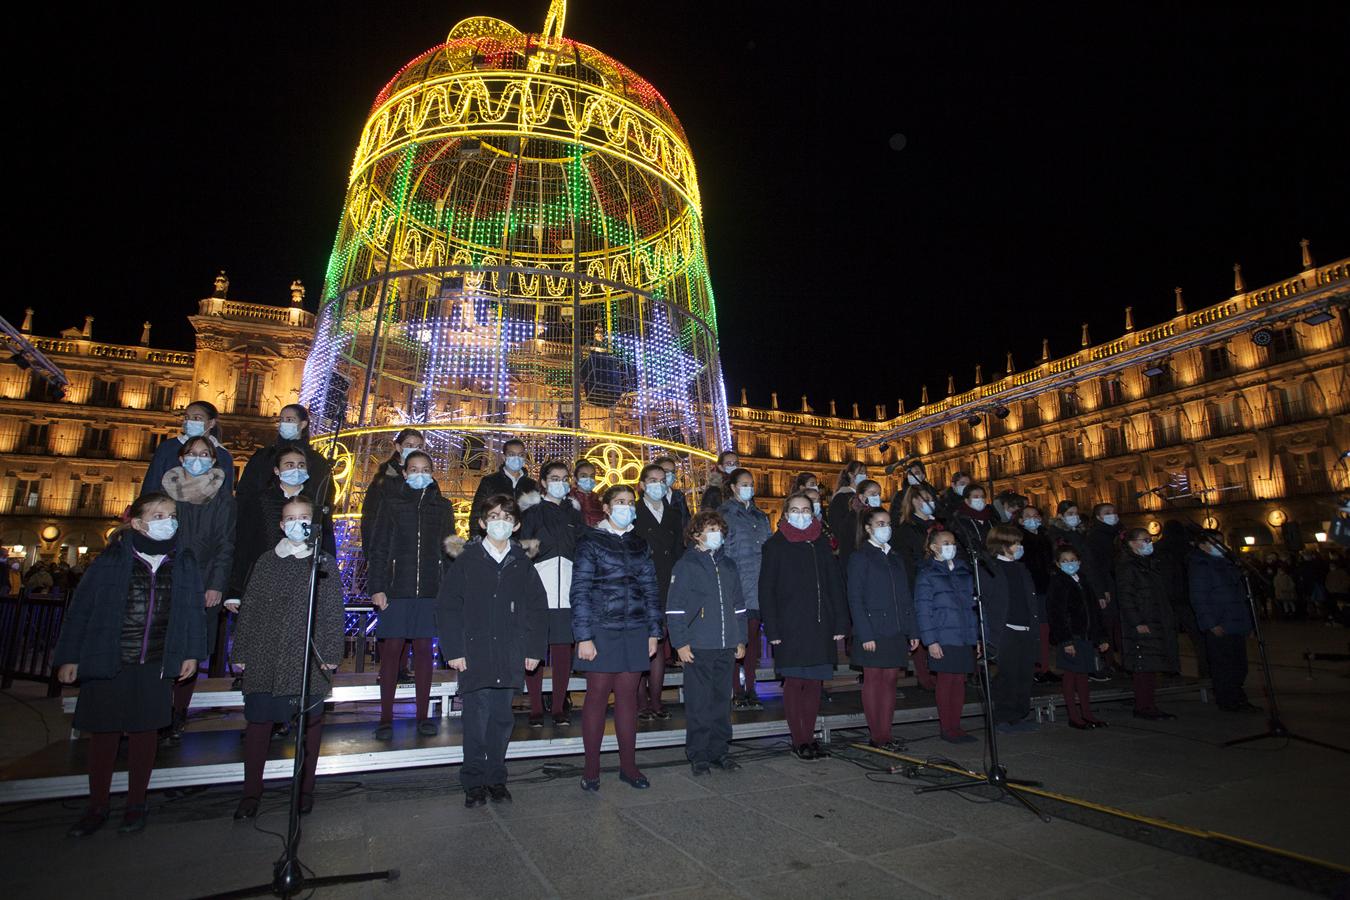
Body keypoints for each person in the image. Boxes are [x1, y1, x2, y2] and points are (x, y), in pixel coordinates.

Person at [54, 492, 207, 836]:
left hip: (154, 660)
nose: (168, 520)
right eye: (158, 514)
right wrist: (69, 656)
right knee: (104, 733)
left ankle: (136, 802)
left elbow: (192, 612)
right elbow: (82, 609)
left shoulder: (182, 560)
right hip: (110, 655)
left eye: (171, 514)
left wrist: (191, 652)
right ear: (137, 522)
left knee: (144, 733)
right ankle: (98, 805)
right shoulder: (112, 559)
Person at [231, 495, 345, 819]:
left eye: (304, 517)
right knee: (259, 724)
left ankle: (305, 789)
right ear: (282, 525)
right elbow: (250, 607)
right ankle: (251, 792)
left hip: (306, 656)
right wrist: (240, 650)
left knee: (310, 725)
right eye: (291, 518)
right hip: (266, 652)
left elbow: (332, 611)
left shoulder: (323, 563)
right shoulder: (267, 561)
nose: (298, 523)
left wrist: (330, 652)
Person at [438, 495, 548, 807]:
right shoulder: (467, 560)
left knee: (502, 721)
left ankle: (496, 778)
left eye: (507, 517)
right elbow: (448, 607)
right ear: (483, 522)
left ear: (516, 525)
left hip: (510, 653)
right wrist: (454, 649)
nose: (500, 521)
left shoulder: (522, 562)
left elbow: (537, 609)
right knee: (475, 720)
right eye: (494, 516)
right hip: (475, 653)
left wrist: (534, 648)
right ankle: (473, 781)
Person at [572, 484, 662, 791]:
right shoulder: (590, 541)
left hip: (635, 627)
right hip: (601, 627)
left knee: (628, 697)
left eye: (629, 502)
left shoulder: (639, 543)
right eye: (619, 502)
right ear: (607, 508)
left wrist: (654, 631)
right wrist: (583, 636)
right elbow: (581, 590)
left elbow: (651, 589)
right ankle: (591, 769)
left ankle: (629, 766)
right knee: (597, 696)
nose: (626, 507)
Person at [365, 450, 454, 739]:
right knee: (391, 653)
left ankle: (422, 717)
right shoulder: (390, 503)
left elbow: (449, 549)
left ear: (432, 472)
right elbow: (378, 547)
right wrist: (377, 586)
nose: (419, 473)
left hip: (430, 589)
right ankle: (386, 717)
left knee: (425, 652)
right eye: (413, 469)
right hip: (396, 589)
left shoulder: (442, 506)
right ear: (404, 472)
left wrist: (450, 587)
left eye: (425, 469)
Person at [759, 491, 847, 761]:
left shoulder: (820, 542)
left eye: (806, 510)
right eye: (795, 510)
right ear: (785, 514)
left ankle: (810, 736)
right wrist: (772, 630)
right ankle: (799, 740)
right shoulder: (775, 545)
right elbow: (766, 590)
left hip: (819, 624)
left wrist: (840, 621)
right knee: (795, 683)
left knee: (814, 684)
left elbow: (835, 585)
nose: (801, 514)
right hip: (790, 626)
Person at [161, 435, 237, 743]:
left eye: (204, 454)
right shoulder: (165, 492)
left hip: (204, 579)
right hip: (166, 579)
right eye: (192, 453)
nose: (197, 458)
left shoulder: (223, 498)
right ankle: (158, 709)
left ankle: (178, 712)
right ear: (181, 458)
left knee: (192, 649)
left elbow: (225, 544)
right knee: (162, 645)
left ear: (213, 460)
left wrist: (217, 584)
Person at [666, 510, 747, 775]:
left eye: (719, 530)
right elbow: (675, 608)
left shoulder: (729, 565)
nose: (717, 535)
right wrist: (680, 642)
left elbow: (738, 606)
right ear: (696, 534)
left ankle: (718, 750)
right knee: (699, 703)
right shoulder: (686, 564)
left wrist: (740, 639)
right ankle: (698, 753)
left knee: (722, 701)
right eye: (710, 530)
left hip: (725, 645)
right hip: (699, 645)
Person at [847, 506, 918, 751]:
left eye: (888, 523)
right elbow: (855, 598)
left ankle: (886, 733)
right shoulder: (861, 557)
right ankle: (877, 734)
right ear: (867, 527)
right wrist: (865, 633)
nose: (885, 527)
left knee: (890, 681)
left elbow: (906, 597)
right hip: (873, 630)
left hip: (895, 629)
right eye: (880, 523)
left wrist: (913, 630)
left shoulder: (896, 557)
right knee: (873, 680)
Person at [519, 461, 584, 727]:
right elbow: (524, 549)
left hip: (568, 588)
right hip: (538, 588)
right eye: (554, 478)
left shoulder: (574, 513)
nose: (561, 482)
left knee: (561, 651)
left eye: (565, 478)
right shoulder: (533, 512)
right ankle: (535, 706)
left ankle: (558, 706)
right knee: (534, 647)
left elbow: (582, 547)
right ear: (543, 482)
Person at [228, 446, 335, 606]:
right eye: (289, 465)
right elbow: (244, 544)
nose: (296, 469)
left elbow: (326, 543)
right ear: (277, 470)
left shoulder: (317, 505)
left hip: (303, 580)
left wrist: (329, 584)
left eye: (301, 465)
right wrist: (235, 590)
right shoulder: (260, 501)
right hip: (265, 578)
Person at [235, 404, 334, 546]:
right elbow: (245, 492)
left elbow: (325, 499)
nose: (284, 424)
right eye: (281, 420)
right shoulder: (264, 456)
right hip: (262, 530)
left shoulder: (317, 462)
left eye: (289, 419)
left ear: (303, 424)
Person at [914, 529, 979, 743]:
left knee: (959, 681)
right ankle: (947, 726)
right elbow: (923, 609)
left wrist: (976, 636)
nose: (950, 545)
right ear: (933, 547)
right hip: (943, 635)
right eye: (945, 542)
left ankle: (956, 725)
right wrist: (930, 640)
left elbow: (973, 606)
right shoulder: (928, 573)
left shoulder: (964, 571)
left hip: (963, 634)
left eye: (952, 542)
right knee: (946, 680)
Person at [633, 463, 685, 719]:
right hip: (640, 585)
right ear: (642, 484)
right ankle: (640, 701)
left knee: (659, 644)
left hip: (667, 583)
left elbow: (678, 549)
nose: (658, 484)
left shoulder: (674, 514)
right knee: (642, 643)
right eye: (652, 479)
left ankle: (656, 699)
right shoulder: (632, 510)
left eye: (662, 480)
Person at [1188, 531, 1259, 712]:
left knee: (1239, 663)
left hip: (1236, 619)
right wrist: (1210, 623)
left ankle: (1238, 695)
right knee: (1223, 664)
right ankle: (1227, 699)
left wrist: (1248, 623)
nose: (1221, 546)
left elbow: (1241, 595)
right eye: (1215, 542)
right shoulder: (1200, 566)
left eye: (1221, 542)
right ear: (1203, 545)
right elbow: (1199, 597)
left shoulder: (1229, 564)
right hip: (1219, 620)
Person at [719, 467, 771, 710]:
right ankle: (735, 690)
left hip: (758, 586)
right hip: (737, 587)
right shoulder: (726, 514)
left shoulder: (760, 516)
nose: (749, 487)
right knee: (735, 642)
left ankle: (751, 687)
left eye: (751, 483)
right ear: (733, 487)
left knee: (752, 644)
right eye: (744, 483)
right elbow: (723, 551)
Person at [981, 525, 1041, 733]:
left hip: (1026, 627)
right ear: (1002, 545)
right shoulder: (990, 569)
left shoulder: (1021, 568)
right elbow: (986, 602)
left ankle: (1019, 714)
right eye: (1015, 543)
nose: (1019, 547)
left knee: (1024, 674)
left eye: (1019, 543)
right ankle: (1003, 717)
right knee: (1007, 674)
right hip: (1005, 628)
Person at [1115, 527, 1179, 719]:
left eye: (1150, 539)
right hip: (1142, 620)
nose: (1149, 543)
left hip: (1155, 616)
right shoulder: (1128, 566)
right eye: (1145, 540)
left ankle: (1150, 703)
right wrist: (1136, 621)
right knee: (1143, 665)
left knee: (1152, 664)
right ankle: (1143, 705)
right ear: (1132, 543)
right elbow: (1126, 596)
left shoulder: (1148, 564)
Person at [1047, 547, 1110, 729]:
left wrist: (1101, 636)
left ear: (1079, 561)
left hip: (1086, 635)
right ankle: (1074, 716)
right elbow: (1056, 613)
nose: (1070, 563)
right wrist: (1065, 640)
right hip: (1071, 636)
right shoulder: (1058, 583)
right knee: (1070, 676)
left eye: (1072, 560)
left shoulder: (1083, 581)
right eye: (1065, 561)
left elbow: (1094, 611)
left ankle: (1087, 713)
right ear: (1058, 564)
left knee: (1083, 676)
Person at [1047, 501, 1109, 681]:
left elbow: (1092, 565)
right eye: (1070, 513)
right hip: (1072, 617)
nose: (1075, 516)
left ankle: (1095, 665)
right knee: (1072, 669)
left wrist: (1100, 590)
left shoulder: (1081, 534)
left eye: (1076, 512)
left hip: (1085, 584)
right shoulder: (1058, 536)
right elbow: (1057, 611)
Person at [893, 483, 941, 691]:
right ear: (912, 502)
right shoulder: (906, 529)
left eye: (930, 498)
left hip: (941, 585)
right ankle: (925, 676)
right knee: (921, 631)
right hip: (919, 584)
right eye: (923, 498)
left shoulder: (940, 527)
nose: (928, 502)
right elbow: (907, 561)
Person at [141, 401, 235, 496]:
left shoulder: (222, 455)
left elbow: (225, 492)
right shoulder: (168, 448)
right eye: (186, 417)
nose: (189, 422)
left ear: (211, 423)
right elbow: (152, 483)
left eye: (197, 418)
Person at [1155, 519, 1206, 678]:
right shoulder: (1189, 549)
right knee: (1198, 637)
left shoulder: (1157, 549)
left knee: (1169, 635)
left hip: (1166, 597)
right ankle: (1205, 670)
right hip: (1187, 596)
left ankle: (1171, 669)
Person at [360, 428, 425, 550]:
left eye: (419, 446)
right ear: (399, 448)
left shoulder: (428, 480)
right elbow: (370, 518)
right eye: (409, 445)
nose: (415, 450)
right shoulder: (384, 479)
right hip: (389, 548)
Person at [1017, 505, 1058, 684]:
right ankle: (1034, 667)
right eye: (1028, 516)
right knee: (1033, 630)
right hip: (1029, 589)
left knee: (1044, 629)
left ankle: (1044, 666)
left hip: (1045, 587)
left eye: (1036, 515)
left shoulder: (1045, 537)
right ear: (1020, 520)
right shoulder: (1020, 539)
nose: (1033, 518)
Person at [469, 438, 540, 537]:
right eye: (511, 454)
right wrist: (475, 540)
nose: (517, 458)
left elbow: (538, 517)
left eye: (520, 455)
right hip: (495, 539)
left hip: (524, 543)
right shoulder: (490, 481)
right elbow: (477, 513)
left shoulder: (532, 485)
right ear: (504, 457)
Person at [1086, 502, 1123, 661]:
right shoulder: (1095, 536)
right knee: (1108, 622)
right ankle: (1107, 660)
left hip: (1119, 582)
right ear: (1099, 516)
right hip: (1107, 583)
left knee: (1119, 623)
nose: (1112, 514)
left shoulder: (1119, 533)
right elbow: (1096, 565)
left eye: (1113, 511)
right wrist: (1102, 590)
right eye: (1107, 512)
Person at [837, 477, 883, 571]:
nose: (877, 497)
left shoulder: (879, 515)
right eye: (873, 494)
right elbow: (847, 551)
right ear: (861, 497)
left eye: (878, 494)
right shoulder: (852, 518)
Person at [826, 461, 868, 552]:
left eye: (865, 473)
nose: (865, 476)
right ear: (851, 475)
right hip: (851, 547)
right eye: (861, 473)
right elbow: (837, 526)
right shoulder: (842, 497)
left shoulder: (864, 497)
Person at [950, 483, 993, 555]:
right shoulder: (959, 520)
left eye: (982, 497)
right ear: (967, 500)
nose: (980, 499)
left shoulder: (991, 517)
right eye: (976, 497)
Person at [655, 456, 691, 536]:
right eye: (666, 471)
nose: (670, 475)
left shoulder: (678, 495)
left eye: (673, 472)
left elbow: (687, 521)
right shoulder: (651, 497)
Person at [570, 458, 605, 527]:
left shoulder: (599, 500)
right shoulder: (569, 498)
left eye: (592, 476)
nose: (588, 479)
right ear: (575, 478)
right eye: (583, 476)